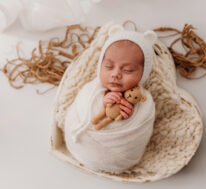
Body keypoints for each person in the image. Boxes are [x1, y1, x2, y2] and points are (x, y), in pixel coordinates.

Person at [64, 24, 157, 173]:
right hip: (78, 140)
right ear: (100, 65)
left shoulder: (143, 100)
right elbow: (83, 107)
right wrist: (102, 101)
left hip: (120, 157)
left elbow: (143, 122)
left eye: (127, 70)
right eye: (108, 66)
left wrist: (130, 117)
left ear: (143, 74)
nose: (116, 74)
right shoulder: (92, 89)